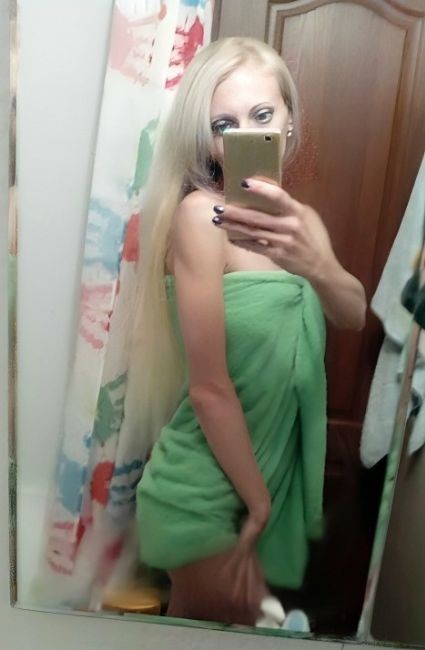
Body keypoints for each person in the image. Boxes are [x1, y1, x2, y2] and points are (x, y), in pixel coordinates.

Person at [128, 36, 366, 627]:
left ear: (289, 120)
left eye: (261, 115)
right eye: (224, 124)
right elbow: (209, 387)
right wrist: (257, 505)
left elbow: (354, 313)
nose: (245, 135)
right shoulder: (201, 217)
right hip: (205, 490)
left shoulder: (297, 223)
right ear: (206, 139)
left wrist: (319, 264)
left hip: (264, 485)